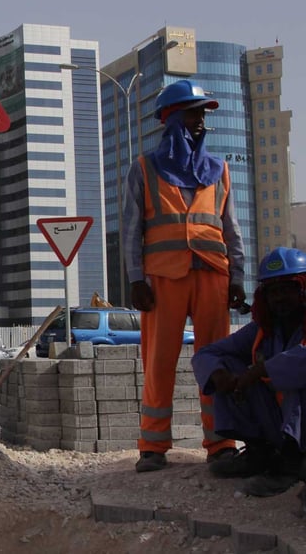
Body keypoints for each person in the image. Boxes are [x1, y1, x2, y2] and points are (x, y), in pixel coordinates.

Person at [122, 79, 246, 473]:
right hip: (163, 280)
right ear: (172, 118)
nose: (200, 122)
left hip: (213, 276)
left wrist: (239, 277)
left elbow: (231, 229)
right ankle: (153, 446)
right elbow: (130, 230)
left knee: (217, 361)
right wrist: (135, 279)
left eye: (203, 115)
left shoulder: (219, 171)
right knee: (159, 361)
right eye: (193, 114)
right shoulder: (144, 169)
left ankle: (221, 442)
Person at [192, 247, 306, 498]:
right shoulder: (263, 329)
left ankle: (291, 464)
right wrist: (219, 374)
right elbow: (206, 353)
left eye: (287, 289)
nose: (280, 299)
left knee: (294, 385)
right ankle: (261, 453)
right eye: (273, 292)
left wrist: (259, 371)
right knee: (226, 365)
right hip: (280, 423)